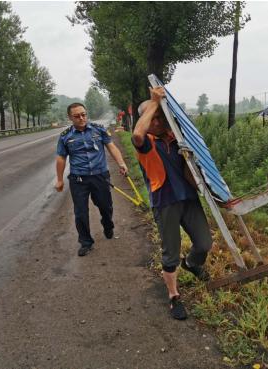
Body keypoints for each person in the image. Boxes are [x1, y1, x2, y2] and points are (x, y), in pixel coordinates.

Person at [132, 87, 212, 320]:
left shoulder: (174, 139)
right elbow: (137, 134)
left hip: (188, 199)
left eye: (160, 116)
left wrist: (189, 160)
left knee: (204, 243)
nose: (157, 122)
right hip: (165, 201)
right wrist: (155, 102)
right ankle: (174, 296)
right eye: (152, 117)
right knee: (170, 253)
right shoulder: (145, 142)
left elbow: (190, 175)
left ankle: (192, 263)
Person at [55, 102, 128, 257]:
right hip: (78, 179)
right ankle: (86, 242)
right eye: (77, 116)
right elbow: (61, 158)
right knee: (80, 212)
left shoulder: (99, 129)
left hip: (100, 176)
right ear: (70, 117)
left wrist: (121, 163)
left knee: (105, 206)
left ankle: (108, 225)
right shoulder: (65, 136)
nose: (81, 118)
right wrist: (60, 180)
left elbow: (112, 147)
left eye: (83, 114)